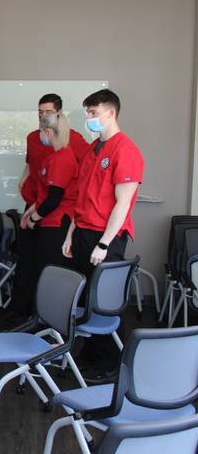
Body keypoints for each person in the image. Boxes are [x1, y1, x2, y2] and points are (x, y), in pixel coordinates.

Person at [63, 89, 144, 382]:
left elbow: (122, 204)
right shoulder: (92, 150)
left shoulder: (126, 150)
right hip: (84, 231)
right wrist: (71, 234)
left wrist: (104, 243)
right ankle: (90, 356)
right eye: (88, 113)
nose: (89, 119)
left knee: (106, 301)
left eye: (93, 113)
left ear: (110, 113)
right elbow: (81, 197)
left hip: (105, 238)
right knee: (87, 297)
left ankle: (112, 363)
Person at [0, 93, 90, 326]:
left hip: (56, 208)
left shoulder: (72, 143)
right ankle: (21, 311)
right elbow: (31, 165)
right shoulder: (34, 138)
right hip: (37, 202)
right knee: (27, 259)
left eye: (47, 112)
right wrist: (25, 188)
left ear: (58, 113)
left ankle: (47, 318)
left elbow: (75, 180)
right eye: (39, 113)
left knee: (49, 263)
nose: (43, 117)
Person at [20, 111, 79, 298]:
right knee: (43, 271)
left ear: (47, 132)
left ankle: (50, 319)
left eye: (41, 131)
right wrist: (30, 211)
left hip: (56, 223)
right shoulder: (55, 156)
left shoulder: (63, 158)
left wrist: (34, 218)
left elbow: (54, 198)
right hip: (49, 222)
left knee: (51, 273)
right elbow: (45, 194)